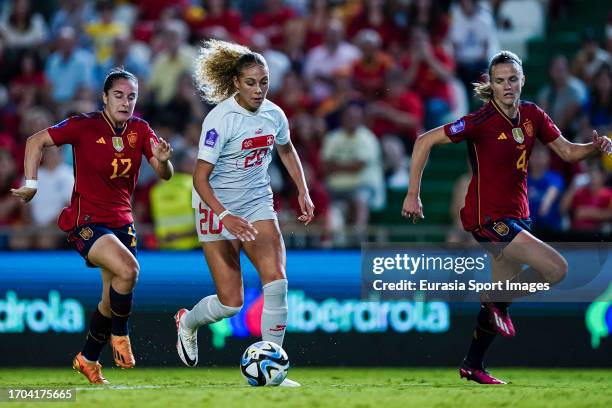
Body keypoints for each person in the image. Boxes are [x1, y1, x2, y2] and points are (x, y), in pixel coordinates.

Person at [401, 51, 612, 384]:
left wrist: (594, 147)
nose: (507, 86)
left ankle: (473, 364)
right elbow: (424, 140)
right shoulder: (480, 120)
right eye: (499, 81)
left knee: (502, 297)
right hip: (487, 219)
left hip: (518, 218)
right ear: (492, 84)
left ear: (523, 79)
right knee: (556, 269)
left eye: (512, 79)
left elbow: (569, 152)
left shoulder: (532, 115)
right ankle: (492, 299)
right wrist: (413, 193)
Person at [11, 68, 174, 384]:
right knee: (129, 271)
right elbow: (36, 140)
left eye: (131, 97)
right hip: (87, 222)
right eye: (118, 95)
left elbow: (163, 173)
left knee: (109, 300)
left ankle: (86, 358)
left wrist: (165, 160)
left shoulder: (140, 130)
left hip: (122, 223)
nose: (125, 102)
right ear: (105, 97)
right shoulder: (83, 126)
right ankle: (120, 336)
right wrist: (31, 183)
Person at [173, 40, 314, 387]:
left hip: (256, 203)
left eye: (263, 81)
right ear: (236, 82)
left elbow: (287, 148)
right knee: (231, 303)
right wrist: (224, 216)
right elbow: (199, 178)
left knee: (277, 282)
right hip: (214, 206)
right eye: (250, 82)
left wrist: (303, 189)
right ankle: (188, 322)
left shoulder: (274, 114)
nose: (258, 89)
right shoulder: (220, 120)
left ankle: (273, 371)